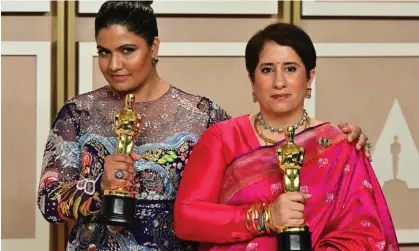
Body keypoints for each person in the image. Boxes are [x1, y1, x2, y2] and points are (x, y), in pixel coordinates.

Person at [36, 1, 371, 250]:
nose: (114, 64)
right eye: (104, 53)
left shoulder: (202, 115)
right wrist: (97, 187)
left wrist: (338, 141)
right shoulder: (78, 113)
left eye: (127, 50)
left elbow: (261, 165)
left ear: (154, 47)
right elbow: (47, 202)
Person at [173, 22, 399, 250]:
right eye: (267, 70)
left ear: (310, 77)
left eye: (290, 69)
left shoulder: (338, 145)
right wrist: (266, 217)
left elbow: (365, 235)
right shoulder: (224, 137)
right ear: (252, 79)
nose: (279, 82)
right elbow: (187, 218)